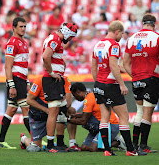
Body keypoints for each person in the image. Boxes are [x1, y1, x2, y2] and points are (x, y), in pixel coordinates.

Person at [91, 20, 147, 156]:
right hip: (111, 85)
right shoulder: (114, 45)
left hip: (99, 84)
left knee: (105, 117)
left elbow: (94, 67)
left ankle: (107, 150)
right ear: (117, 31)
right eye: (121, 33)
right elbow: (113, 65)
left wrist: (98, 82)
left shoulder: (98, 44)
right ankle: (130, 149)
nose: (121, 36)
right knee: (124, 116)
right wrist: (122, 84)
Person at [123, 14, 159, 153]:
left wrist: (135, 75)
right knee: (147, 112)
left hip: (136, 79)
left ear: (142, 23)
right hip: (151, 77)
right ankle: (143, 146)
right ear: (154, 24)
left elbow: (125, 63)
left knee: (139, 111)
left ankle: (135, 144)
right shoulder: (156, 37)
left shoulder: (131, 38)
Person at [20, 75, 80, 152]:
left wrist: (61, 109)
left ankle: (68, 143)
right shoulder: (39, 80)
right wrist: (47, 110)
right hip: (39, 115)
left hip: (54, 113)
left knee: (71, 111)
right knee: (35, 148)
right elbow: (29, 100)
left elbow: (68, 101)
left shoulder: (65, 80)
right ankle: (23, 138)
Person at [42, 22, 78, 152]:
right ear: (67, 33)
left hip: (57, 79)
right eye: (71, 36)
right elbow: (45, 56)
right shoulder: (55, 39)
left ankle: (61, 142)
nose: (70, 40)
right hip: (52, 80)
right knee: (53, 112)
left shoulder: (53, 38)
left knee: (62, 110)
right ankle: (51, 145)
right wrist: (52, 73)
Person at [0, 17, 30, 149]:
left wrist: (27, 81)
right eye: (20, 26)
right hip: (15, 80)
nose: (23, 29)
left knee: (11, 110)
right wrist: (12, 85)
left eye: (24, 26)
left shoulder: (24, 43)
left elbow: (24, 66)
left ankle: (1, 141)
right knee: (26, 108)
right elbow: (8, 67)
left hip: (22, 79)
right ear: (14, 28)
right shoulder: (12, 43)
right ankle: (36, 139)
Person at [68, 82, 126, 152]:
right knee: (84, 148)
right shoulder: (90, 95)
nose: (75, 98)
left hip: (111, 125)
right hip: (100, 124)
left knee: (93, 149)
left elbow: (83, 121)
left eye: (74, 95)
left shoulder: (89, 99)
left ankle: (118, 142)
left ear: (78, 92)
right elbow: (87, 114)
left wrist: (66, 120)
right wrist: (74, 115)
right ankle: (105, 140)